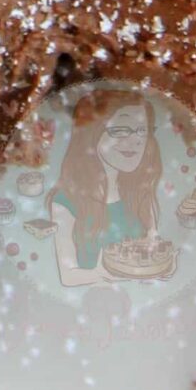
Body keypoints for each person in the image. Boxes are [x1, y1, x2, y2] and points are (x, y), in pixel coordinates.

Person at [47, 89, 172, 287]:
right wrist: (102, 274)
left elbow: (152, 247)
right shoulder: (66, 201)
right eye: (121, 130)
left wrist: (159, 267)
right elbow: (68, 276)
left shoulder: (140, 191)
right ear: (92, 132)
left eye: (142, 131)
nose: (135, 141)